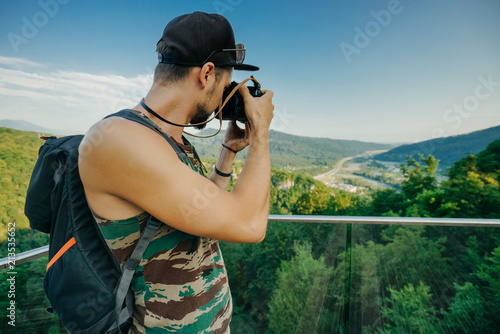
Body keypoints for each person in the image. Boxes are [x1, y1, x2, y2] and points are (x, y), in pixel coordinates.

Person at [79, 11, 274, 334]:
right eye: (227, 85)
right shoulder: (118, 138)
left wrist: (228, 152)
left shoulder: (168, 140)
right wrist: (262, 134)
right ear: (207, 74)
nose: (223, 100)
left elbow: (199, 214)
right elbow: (250, 225)